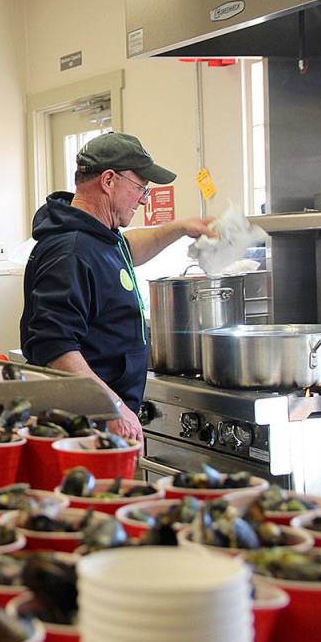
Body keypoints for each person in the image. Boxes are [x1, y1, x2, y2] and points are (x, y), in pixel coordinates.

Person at [19, 132, 215, 440]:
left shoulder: (99, 238)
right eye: (140, 188)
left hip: (98, 419)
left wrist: (180, 228)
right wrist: (112, 406)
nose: (143, 198)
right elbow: (53, 345)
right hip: (82, 427)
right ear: (109, 180)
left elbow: (127, 249)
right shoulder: (71, 250)